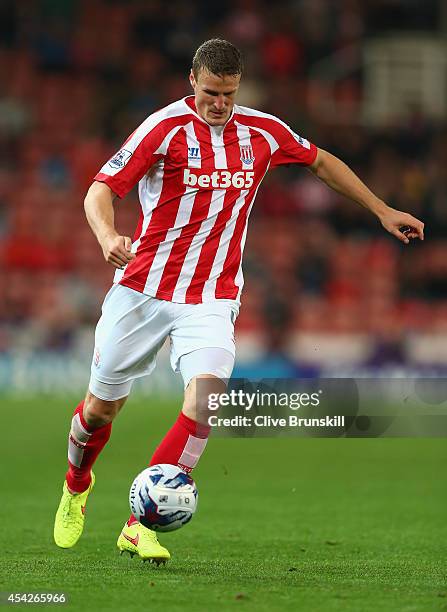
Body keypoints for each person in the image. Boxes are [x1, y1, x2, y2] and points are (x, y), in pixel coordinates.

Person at [53, 39, 424, 563]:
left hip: (211, 297)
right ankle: (76, 483)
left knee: (205, 402)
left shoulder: (264, 131)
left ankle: (141, 523)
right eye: (210, 92)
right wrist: (108, 237)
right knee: (98, 410)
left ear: (238, 87)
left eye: (228, 94)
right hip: (141, 290)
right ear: (192, 82)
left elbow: (321, 162)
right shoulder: (162, 128)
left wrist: (381, 209)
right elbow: (100, 189)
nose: (219, 104)